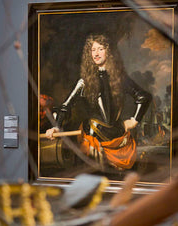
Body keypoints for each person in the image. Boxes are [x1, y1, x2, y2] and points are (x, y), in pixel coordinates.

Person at [45, 34, 152, 170]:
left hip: (118, 136)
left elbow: (144, 96)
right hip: (93, 136)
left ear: (108, 51)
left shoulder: (120, 79)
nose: (96, 53)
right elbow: (66, 107)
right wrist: (56, 126)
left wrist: (134, 120)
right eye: (93, 50)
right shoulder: (84, 82)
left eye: (100, 49)